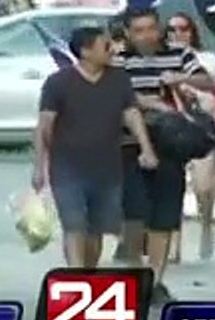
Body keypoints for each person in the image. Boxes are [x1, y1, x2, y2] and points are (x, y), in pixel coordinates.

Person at [33, 27, 159, 268]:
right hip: (68, 168)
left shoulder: (119, 79)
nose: (111, 50)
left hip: (108, 169)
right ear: (85, 51)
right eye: (105, 45)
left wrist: (146, 148)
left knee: (96, 230)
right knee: (74, 225)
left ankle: (88, 273)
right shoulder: (59, 83)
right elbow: (44, 126)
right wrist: (40, 166)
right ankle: (76, 277)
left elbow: (131, 114)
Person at [113, 6, 215, 303]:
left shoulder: (179, 54)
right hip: (129, 145)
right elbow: (112, 95)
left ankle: (155, 280)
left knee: (165, 214)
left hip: (171, 144)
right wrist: (146, 102)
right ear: (129, 34)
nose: (146, 36)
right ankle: (134, 272)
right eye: (139, 31)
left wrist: (181, 78)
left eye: (150, 29)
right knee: (133, 214)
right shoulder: (119, 61)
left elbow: (208, 80)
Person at [165, 12, 215, 263]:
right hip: (170, 127)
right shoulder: (161, 59)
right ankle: (174, 245)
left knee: (203, 187)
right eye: (172, 30)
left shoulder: (208, 60)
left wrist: (183, 82)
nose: (178, 34)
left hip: (202, 127)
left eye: (183, 29)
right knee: (171, 188)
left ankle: (206, 227)